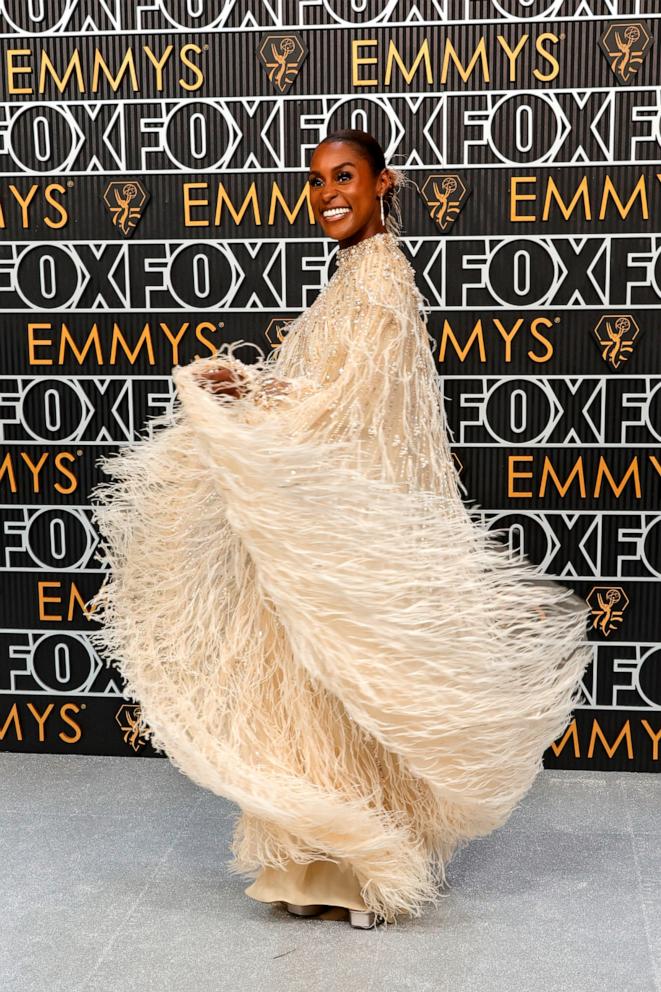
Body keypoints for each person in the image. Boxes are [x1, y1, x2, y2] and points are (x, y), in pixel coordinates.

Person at [87, 129, 592, 931]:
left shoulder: (382, 280)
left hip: (361, 518)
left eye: (345, 176)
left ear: (382, 182)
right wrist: (249, 385)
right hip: (342, 520)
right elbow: (321, 387)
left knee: (355, 688)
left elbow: (356, 404)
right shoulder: (351, 277)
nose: (328, 193)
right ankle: (320, 865)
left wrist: (261, 402)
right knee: (321, 692)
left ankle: (365, 872)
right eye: (318, 180)